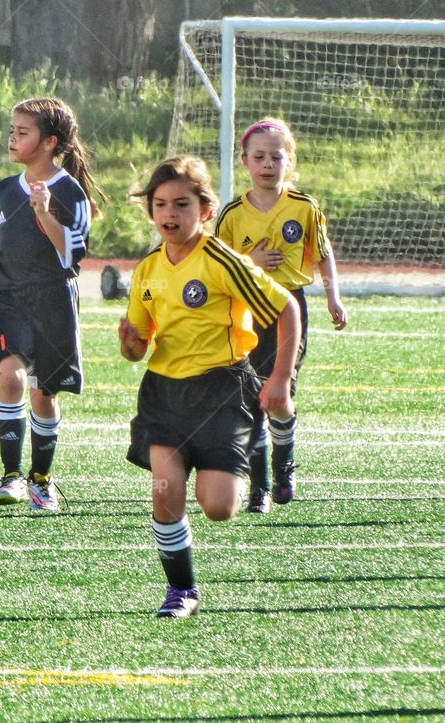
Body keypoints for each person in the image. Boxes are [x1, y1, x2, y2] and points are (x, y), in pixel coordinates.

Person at [119, 155, 300, 618]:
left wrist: (279, 378)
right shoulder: (146, 271)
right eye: (160, 205)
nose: (169, 214)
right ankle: (182, 590)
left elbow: (286, 310)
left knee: (218, 507)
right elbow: (138, 347)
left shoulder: (221, 259)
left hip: (222, 393)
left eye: (181, 204)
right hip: (164, 393)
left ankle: (245, 451)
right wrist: (131, 344)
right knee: (165, 492)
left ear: (204, 210)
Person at [0, 97, 103, 513]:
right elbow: (13, 242)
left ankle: (42, 479)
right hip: (9, 297)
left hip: (54, 300)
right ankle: (11, 475)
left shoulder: (69, 193)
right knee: (12, 377)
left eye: (23, 132)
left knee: (44, 393)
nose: (12, 138)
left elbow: (71, 254)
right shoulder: (6, 188)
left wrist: (45, 214)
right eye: (11, 131)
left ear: (48, 142)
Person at [214, 117, 348, 513]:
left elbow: (323, 257)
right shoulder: (233, 214)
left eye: (276, 156)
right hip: (247, 311)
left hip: (290, 307)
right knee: (253, 397)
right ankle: (260, 488)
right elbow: (216, 265)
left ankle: (284, 463)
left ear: (289, 161)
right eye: (259, 157)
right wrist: (248, 261)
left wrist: (333, 298)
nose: (267, 164)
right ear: (245, 162)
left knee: (280, 393)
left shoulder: (305, 208)